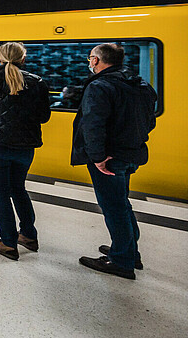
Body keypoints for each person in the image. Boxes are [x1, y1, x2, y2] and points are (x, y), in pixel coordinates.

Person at [73, 43, 156, 280]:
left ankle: (121, 261)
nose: (90, 62)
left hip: (109, 158)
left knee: (114, 208)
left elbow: (92, 125)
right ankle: (130, 251)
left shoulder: (100, 86)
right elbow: (150, 122)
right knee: (122, 203)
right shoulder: (141, 84)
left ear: (97, 60)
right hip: (132, 153)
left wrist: (98, 157)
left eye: (91, 58)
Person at [0, 42, 51, 260]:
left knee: (0, 193)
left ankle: (7, 242)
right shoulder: (38, 82)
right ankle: (28, 235)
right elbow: (44, 116)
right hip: (25, 147)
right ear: (23, 59)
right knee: (18, 189)